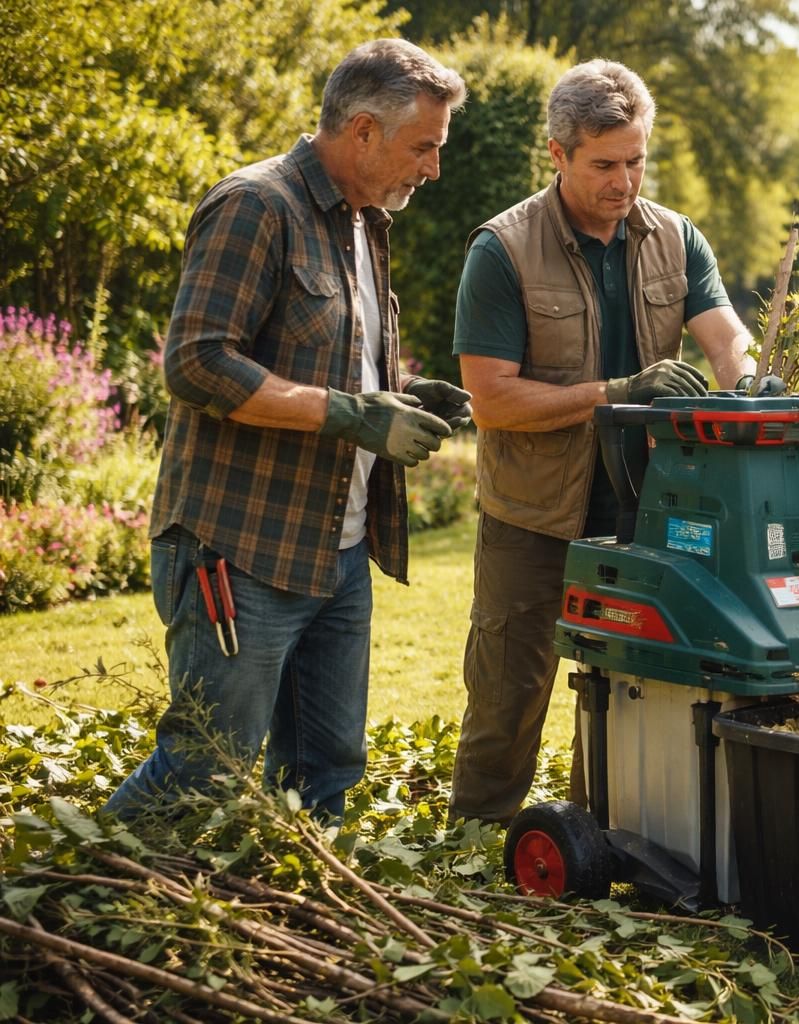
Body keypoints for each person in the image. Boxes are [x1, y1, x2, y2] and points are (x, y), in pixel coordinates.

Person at [105, 40, 471, 822]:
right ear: (364, 131)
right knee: (203, 771)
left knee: (326, 772)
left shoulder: (365, 223)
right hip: (239, 550)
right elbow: (197, 363)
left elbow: (325, 358)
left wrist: (399, 392)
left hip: (335, 556)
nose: (432, 169)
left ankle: (294, 919)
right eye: (424, 147)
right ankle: (48, 911)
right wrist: (347, 414)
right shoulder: (256, 206)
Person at [449, 59, 755, 825]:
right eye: (605, 164)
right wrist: (616, 394)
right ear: (557, 154)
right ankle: (469, 852)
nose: (625, 182)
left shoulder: (677, 238)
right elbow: (492, 402)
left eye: (637, 160)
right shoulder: (504, 250)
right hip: (532, 516)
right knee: (508, 697)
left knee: (632, 687)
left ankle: (608, 841)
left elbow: (727, 340)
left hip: (642, 513)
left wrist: (749, 381)